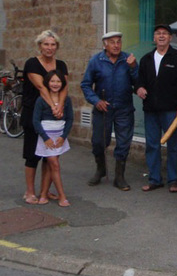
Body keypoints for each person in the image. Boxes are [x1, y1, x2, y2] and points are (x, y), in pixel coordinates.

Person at [135, 24, 177, 193]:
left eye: (164, 34)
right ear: (154, 38)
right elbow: (139, 80)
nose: (161, 36)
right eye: (158, 33)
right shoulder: (146, 59)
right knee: (152, 145)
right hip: (151, 109)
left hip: (171, 110)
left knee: (173, 145)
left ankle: (174, 180)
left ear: (170, 38)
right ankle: (154, 179)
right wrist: (139, 88)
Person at [80, 31, 138, 190]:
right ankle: (101, 169)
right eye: (112, 42)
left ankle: (119, 177)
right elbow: (85, 85)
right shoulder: (96, 61)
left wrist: (134, 67)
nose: (116, 45)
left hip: (124, 108)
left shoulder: (128, 60)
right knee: (99, 141)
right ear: (105, 44)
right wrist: (96, 101)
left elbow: (138, 82)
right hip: (103, 108)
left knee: (124, 142)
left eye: (119, 42)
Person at [21, 30, 69, 205]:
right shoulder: (32, 63)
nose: (49, 48)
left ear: (57, 46)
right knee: (32, 155)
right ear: (40, 46)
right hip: (34, 113)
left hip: (54, 117)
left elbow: (64, 87)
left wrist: (60, 106)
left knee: (51, 155)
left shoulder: (61, 64)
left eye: (53, 44)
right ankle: (29, 192)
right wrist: (53, 106)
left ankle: (44, 191)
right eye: (46, 44)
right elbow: (42, 88)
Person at [33, 70, 73, 207]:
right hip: (47, 138)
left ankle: (44, 194)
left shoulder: (66, 100)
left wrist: (63, 136)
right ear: (47, 83)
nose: (55, 84)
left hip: (59, 138)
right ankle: (62, 196)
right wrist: (45, 138)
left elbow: (70, 119)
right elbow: (36, 121)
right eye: (52, 81)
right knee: (55, 165)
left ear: (62, 84)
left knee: (51, 167)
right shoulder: (41, 100)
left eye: (58, 81)